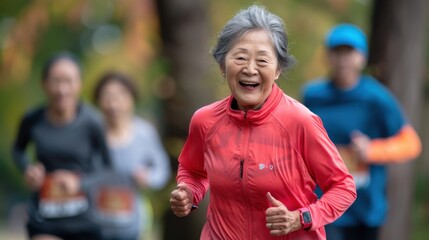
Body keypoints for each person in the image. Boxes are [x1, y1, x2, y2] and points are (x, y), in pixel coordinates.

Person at [169, 5, 356, 240]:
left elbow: (343, 188)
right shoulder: (205, 121)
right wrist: (189, 193)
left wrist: (301, 218)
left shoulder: (300, 122)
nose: (250, 69)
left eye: (262, 60)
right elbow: (193, 170)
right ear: (222, 66)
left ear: (278, 69)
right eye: (240, 57)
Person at [302, 24, 422, 240]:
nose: (343, 59)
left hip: (365, 206)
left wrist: (372, 150)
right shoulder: (313, 95)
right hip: (324, 204)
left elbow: (411, 143)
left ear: (362, 57)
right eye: (337, 52)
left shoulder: (377, 98)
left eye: (349, 52)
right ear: (328, 56)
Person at [12, 52, 111, 240]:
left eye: (69, 81)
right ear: (44, 84)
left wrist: (79, 182)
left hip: (85, 218)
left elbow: (107, 168)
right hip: (45, 216)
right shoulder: (32, 119)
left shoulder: (93, 122)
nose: (62, 89)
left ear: (79, 84)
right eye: (56, 81)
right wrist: (28, 169)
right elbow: (18, 150)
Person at [90, 71, 171, 240]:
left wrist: (147, 177)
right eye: (107, 96)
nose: (113, 103)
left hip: (132, 224)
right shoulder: (89, 133)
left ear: (132, 99)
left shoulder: (144, 133)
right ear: (98, 101)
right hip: (93, 224)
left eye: (120, 96)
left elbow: (162, 169)